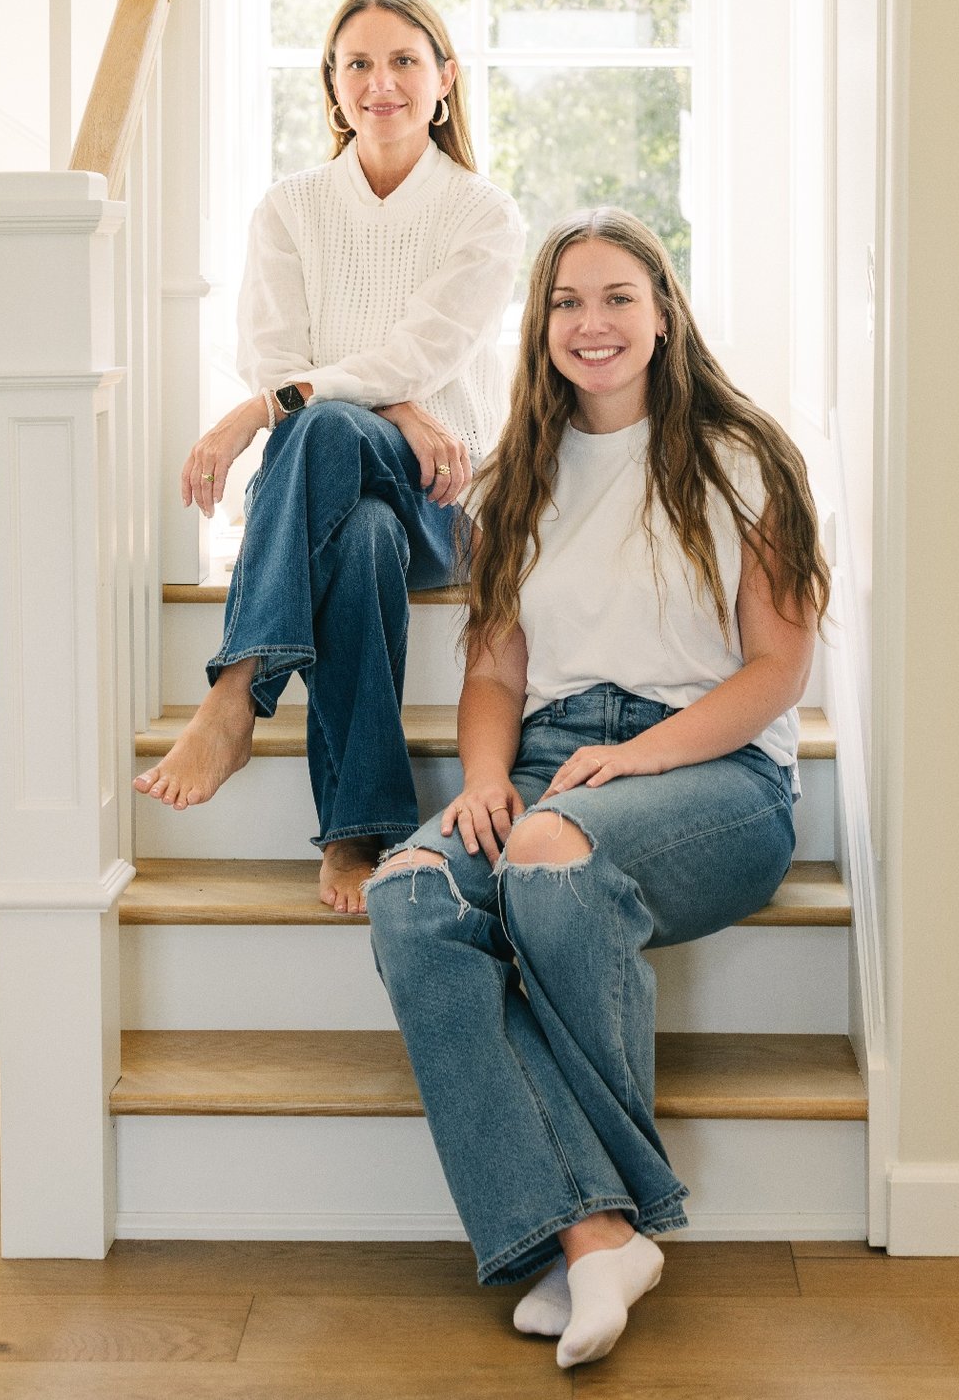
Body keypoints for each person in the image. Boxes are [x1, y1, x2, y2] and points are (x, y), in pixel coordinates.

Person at [365, 207, 830, 1369]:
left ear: (664, 315)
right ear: (542, 329)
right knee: (413, 894)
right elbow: (494, 669)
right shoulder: (515, 471)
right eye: (568, 302)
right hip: (548, 758)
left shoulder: (745, 456)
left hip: (713, 768)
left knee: (554, 856)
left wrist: (639, 756)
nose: (593, 321)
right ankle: (593, 1230)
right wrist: (480, 779)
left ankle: (593, 1228)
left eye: (618, 296)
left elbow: (778, 668)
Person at [133, 0, 524, 913]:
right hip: (350, 493)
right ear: (331, 84)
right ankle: (361, 830)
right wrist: (387, 405)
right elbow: (275, 357)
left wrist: (270, 409)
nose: (379, 81)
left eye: (402, 61)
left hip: (445, 493)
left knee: (318, 423)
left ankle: (237, 685)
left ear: (444, 80)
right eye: (357, 63)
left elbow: (421, 350)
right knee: (359, 543)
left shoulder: (482, 215)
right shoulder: (291, 207)